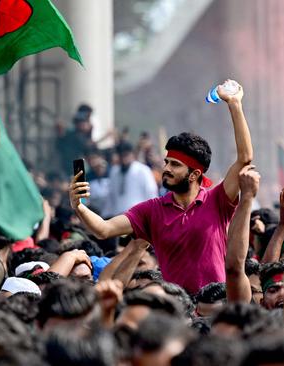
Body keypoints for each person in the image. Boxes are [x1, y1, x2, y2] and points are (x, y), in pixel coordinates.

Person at [69, 79, 253, 294]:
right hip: (176, 311)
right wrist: (79, 207)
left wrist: (234, 104)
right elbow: (103, 229)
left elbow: (245, 158)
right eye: (167, 162)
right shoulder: (151, 210)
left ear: (194, 174)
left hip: (214, 308)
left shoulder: (217, 200)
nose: (166, 168)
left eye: (175, 165)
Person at [105, 141, 158, 217]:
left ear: (132, 155)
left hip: (138, 216)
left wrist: (153, 214)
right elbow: (111, 196)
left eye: (126, 155)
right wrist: (106, 215)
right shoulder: (114, 172)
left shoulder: (142, 170)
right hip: (118, 216)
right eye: (121, 156)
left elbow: (151, 192)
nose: (123, 159)